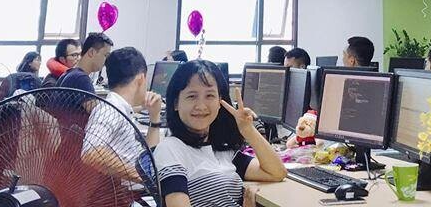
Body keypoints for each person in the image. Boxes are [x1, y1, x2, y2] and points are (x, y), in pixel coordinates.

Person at [154, 60, 287, 207]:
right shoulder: (170, 149)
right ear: (175, 104)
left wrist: (248, 130)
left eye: (209, 96)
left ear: (220, 102)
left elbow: (276, 172)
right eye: (192, 96)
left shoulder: (221, 149)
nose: (201, 106)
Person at [82, 47, 163, 181]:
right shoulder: (110, 110)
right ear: (141, 79)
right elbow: (90, 152)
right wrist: (144, 179)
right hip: (130, 190)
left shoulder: (121, 108)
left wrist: (155, 117)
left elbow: (150, 158)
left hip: (138, 184)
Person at [59, 32, 113, 109]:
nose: (106, 60)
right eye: (105, 55)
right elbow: (98, 113)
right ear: (91, 52)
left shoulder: (69, 73)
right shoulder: (81, 79)